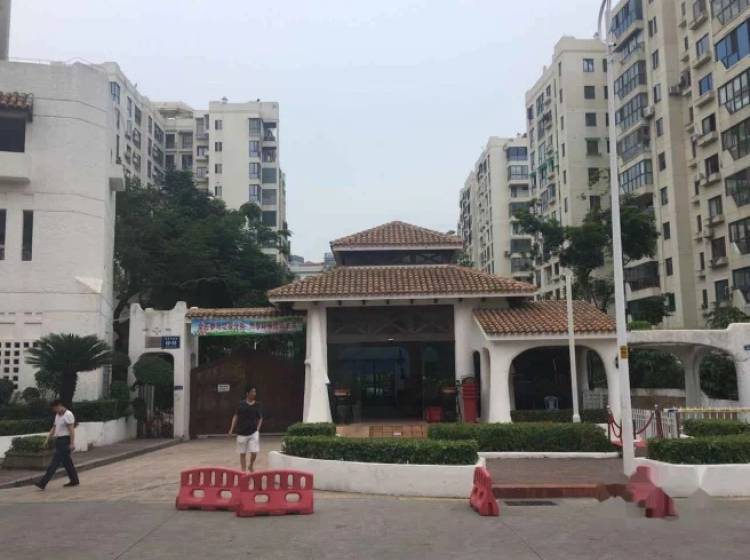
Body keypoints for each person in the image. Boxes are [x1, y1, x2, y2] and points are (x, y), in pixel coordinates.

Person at [35, 399, 80, 490]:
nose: (54, 410)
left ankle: (43, 483)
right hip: (59, 440)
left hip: (65, 440)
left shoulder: (68, 415)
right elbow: (54, 427)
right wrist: (48, 438)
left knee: (55, 463)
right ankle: (74, 480)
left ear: (59, 405)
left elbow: (71, 430)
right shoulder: (57, 415)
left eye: (55, 408)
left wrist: (72, 443)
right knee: (67, 462)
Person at [228, 386, 263, 472]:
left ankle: (251, 465)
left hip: (253, 432)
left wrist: (258, 429)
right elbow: (235, 416)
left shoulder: (257, 405)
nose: (254, 394)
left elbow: (260, 418)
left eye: (255, 392)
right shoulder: (241, 404)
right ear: (247, 393)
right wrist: (231, 429)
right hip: (241, 432)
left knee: (254, 452)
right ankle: (243, 471)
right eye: (252, 392)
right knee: (242, 453)